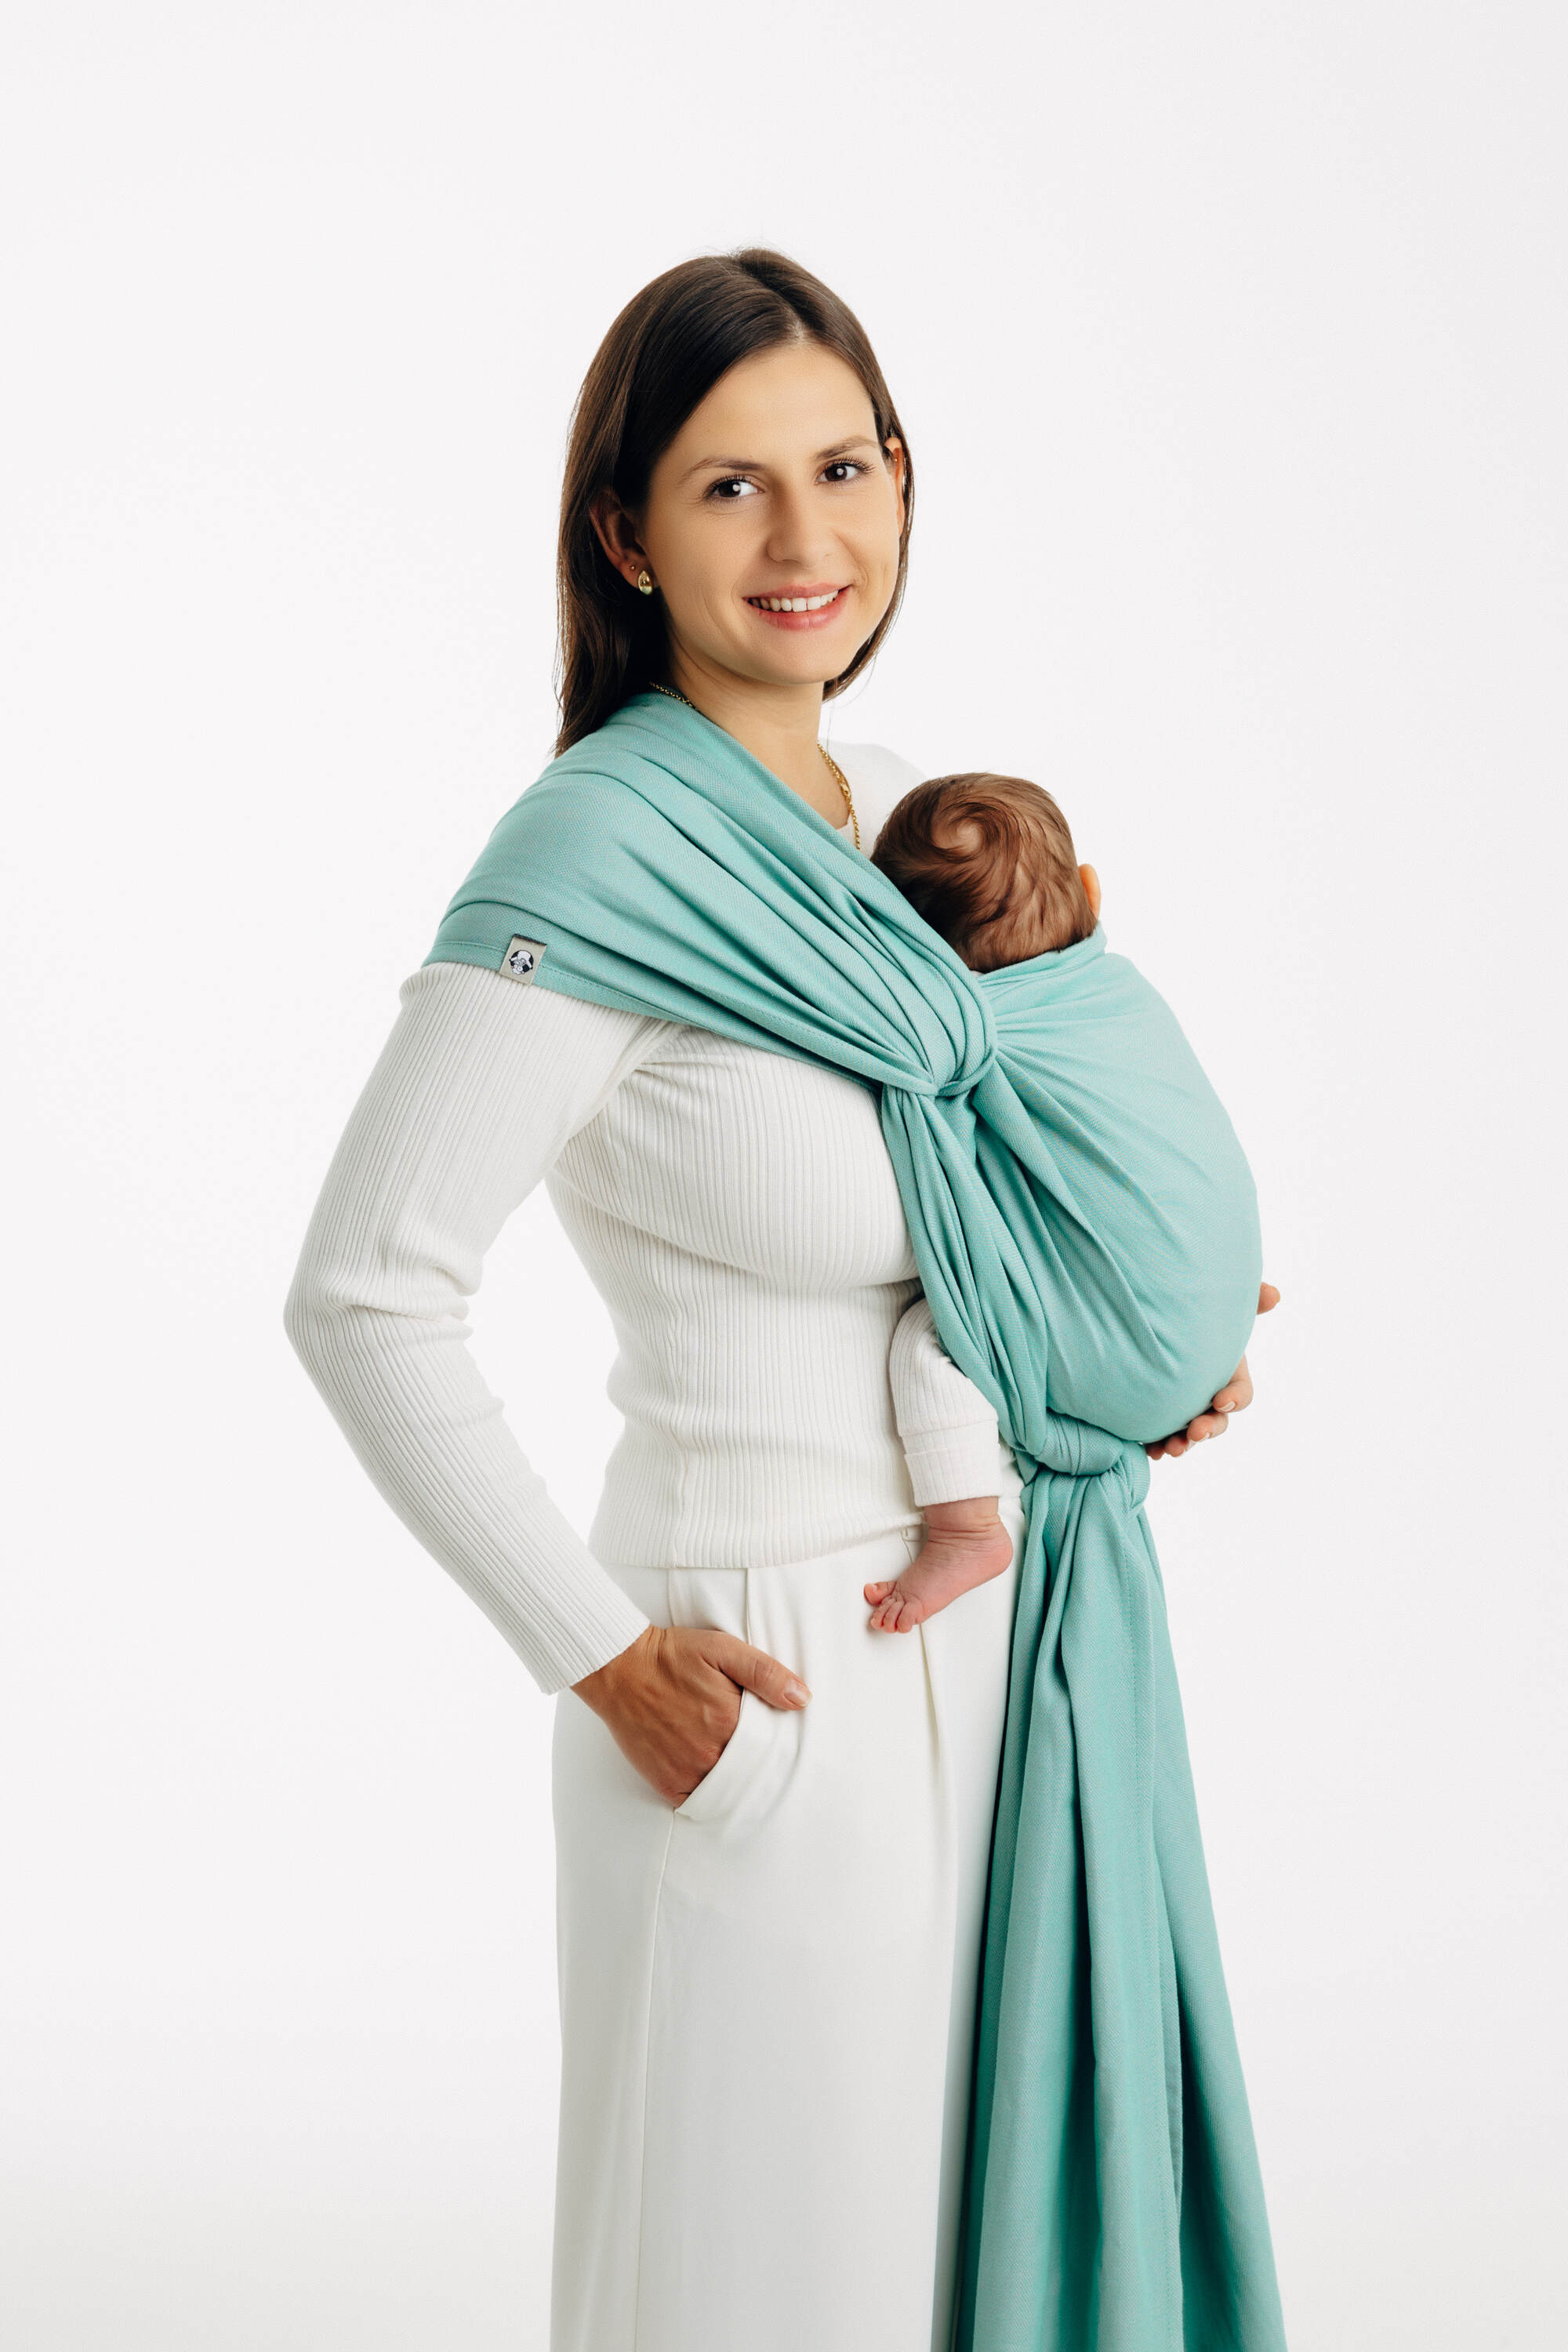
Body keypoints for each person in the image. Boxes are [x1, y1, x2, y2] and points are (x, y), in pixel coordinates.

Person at [282, 249, 1269, 2352]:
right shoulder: (595, 864)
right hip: (758, 1669)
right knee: (761, 2296)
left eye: (842, 466)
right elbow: (366, 1294)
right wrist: (603, 1657)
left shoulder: (903, 828)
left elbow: (980, 1207)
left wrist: (1125, 1352)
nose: (803, 537)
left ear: (903, 480)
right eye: (729, 485)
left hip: (1006, 1652)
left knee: (948, 2291)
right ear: (625, 534)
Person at [863, 769, 1278, 1634]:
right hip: (1218, 1301)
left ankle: (964, 1530)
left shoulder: (965, 1028)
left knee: (931, 1340)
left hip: (1145, 1348)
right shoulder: (1121, 991)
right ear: (1090, 891)